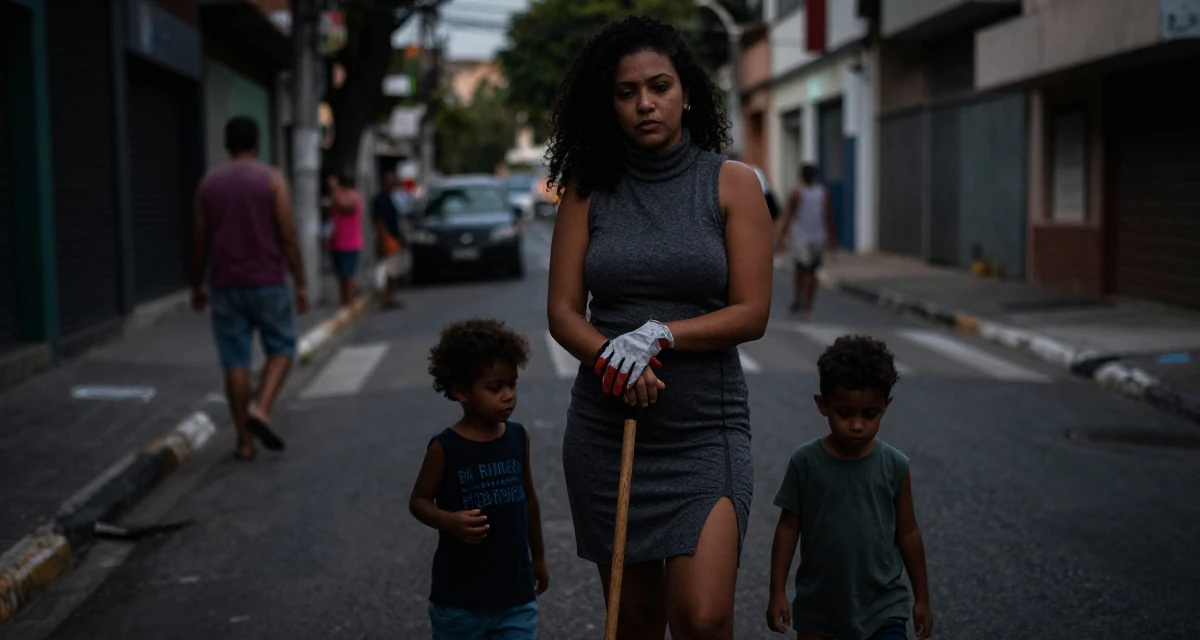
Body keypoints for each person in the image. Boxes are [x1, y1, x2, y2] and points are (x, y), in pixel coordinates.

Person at [545, 16, 773, 639]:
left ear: (686, 93)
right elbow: (562, 311)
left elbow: (752, 312)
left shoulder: (732, 183)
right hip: (607, 429)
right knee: (634, 623)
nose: (644, 103)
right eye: (626, 92)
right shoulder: (586, 190)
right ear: (610, 104)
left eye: (659, 86)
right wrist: (612, 357)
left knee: (703, 618)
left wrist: (660, 334)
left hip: (704, 432)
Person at [766, 335, 932, 640]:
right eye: (845, 413)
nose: (857, 425)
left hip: (884, 607)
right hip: (820, 609)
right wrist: (777, 591)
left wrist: (922, 599)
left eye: (870, 414)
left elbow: (908, 533)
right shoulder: (806, 463)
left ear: (885, 407)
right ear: (823, 405)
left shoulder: (895, 466)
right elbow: (788, 529)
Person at [409, 318, 550, 640]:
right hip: (460, 601)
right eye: (495, 388)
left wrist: (539, 558)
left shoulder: (518, 437)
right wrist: (448, 521)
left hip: (515, 595)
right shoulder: (444, 448)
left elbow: (529, 501)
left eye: (512, 384)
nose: (508, 396)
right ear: (461, 391)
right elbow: (418, 501)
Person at [190, 116, 308, 461]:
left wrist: (196, 285)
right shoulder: (272, 179)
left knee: (235, 361)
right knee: (282, 348)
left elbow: (199, 240)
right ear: (257, 143)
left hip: (225, 285)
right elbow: (287, 233)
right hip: (268, 281)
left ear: (227, 144)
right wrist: (300, 281)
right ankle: (262, 408)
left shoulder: (209, 184)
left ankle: (244, 442)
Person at [776, 164, 836, 319]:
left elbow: (789, 215)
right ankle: (805, 303)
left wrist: (781, 238)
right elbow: (828, 216)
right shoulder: (821, 192)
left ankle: (802, 301)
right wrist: (832, 239)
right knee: (809, 271)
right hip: (814, 237)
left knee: (804, 270)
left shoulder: (798, 192)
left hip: (804, 237)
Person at [327, 172, 364, 308]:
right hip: (337, 243)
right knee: (341, 275)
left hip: (349, 243)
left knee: (348, 274)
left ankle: (349, 303)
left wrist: (333, 190)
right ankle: (344, 302)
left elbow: (345, 206)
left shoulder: (352, 195)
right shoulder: (339, 195)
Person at [371, 171, 407, 308]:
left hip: (394, 238)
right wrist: (383, 239)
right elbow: (379, 222)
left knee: (395, 270)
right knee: (388, 270)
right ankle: (386, 297)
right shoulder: (379, 200)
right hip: (388, 239)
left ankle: (391, 297)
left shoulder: (393, 198)